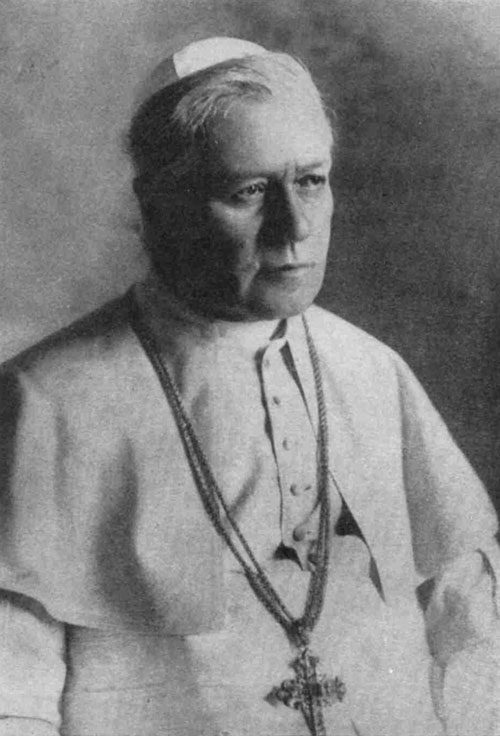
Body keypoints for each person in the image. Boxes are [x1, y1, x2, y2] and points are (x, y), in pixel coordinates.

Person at [0, 36, 499, 736]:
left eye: (311, 181)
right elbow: (11, 694)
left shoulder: (373, 371)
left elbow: (474, 633)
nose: (295, 227)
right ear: (159, 204)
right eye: (249, 192)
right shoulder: (43, 401)